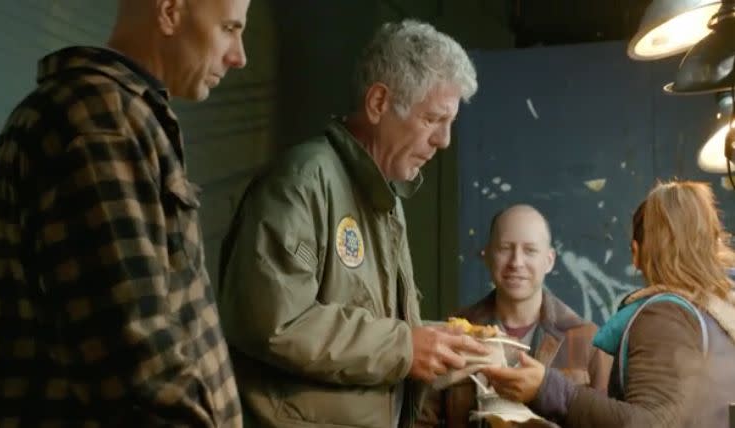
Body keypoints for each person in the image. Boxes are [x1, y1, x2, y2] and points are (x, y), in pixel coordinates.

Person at [0, 0, 250, 426]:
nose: (239, 56)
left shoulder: (110, 115)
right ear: (169, 11)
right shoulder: (99, 123)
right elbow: (137, 371)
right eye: (228, 28)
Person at [217, 19, 485, 428]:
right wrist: (406, 347)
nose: (444, 140)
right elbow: (275, 323)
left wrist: (444, 344)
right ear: (378, 102)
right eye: (433, 119)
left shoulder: (384, 195)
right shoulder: (302, 182)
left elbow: (373, 330)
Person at [483, 181, 735, 428]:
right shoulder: (721, 312)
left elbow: (650, 423)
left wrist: (546, 388)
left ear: (636, 253)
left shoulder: (664, 315)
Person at [416, 204, 611, 427]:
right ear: (487, 255)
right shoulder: (452, 334)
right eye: (505, 248)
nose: (516, 262)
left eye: (530, 250)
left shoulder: (589, 339)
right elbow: (421, 420)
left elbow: (606, 422)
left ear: (549, 260)